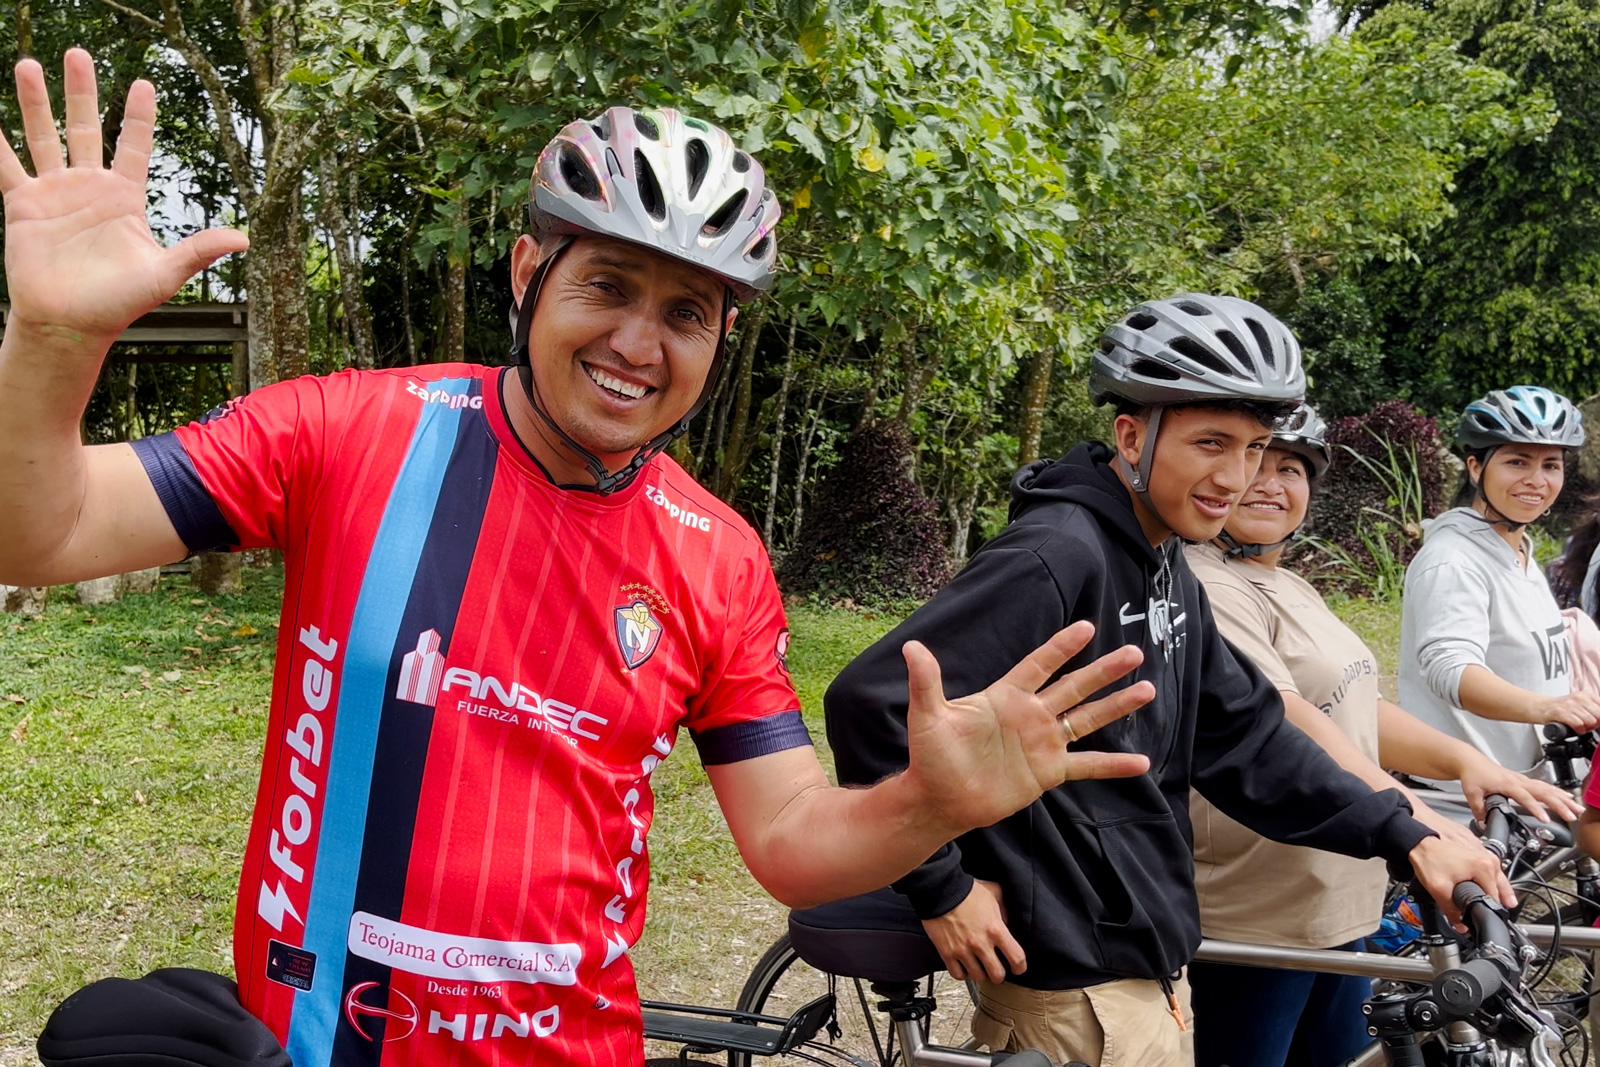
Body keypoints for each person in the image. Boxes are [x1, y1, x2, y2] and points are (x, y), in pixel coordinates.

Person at [0, 52, 1161, 1067]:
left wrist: (924, 803)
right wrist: (53, 340)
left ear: (720, 338)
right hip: (318, 1038)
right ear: (527, 274)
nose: (637, 343)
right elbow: (41, 533)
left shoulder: (717, 556)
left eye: (687, 312)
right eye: (606, 284)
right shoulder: (344, 431)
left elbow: (790, 844)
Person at [825, 294, 1509, 1067]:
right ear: (1131, 436)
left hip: (1147, 971)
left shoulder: (1163, 561)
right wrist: (943, 887)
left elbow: (1248, 737)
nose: (1234, 477)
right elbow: (872, 702)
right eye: (1211, 442)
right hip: (1075, 995)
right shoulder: (1060, 553)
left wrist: (1406, 832)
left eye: (1254, 447)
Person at [1183, 404, 1578, 1067]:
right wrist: (1421, 823)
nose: (1269, 484)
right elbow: (1286, 720)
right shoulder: (1207, 585)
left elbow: (1357, 706)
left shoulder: (1286, 582)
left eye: (1290, 469)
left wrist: (1468, 762)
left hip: (1338, 901)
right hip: (1257, 912)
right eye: (1255, 463)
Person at [1400, 386, 1600, 785]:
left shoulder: (1516, 551)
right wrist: (1545, 707)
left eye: (1551, 465)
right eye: (1517, 462)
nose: (1536, 480)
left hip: (1526, 791)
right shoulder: (1453, 561)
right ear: (1476, 467)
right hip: (1464, 802)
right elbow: (1450, 667)